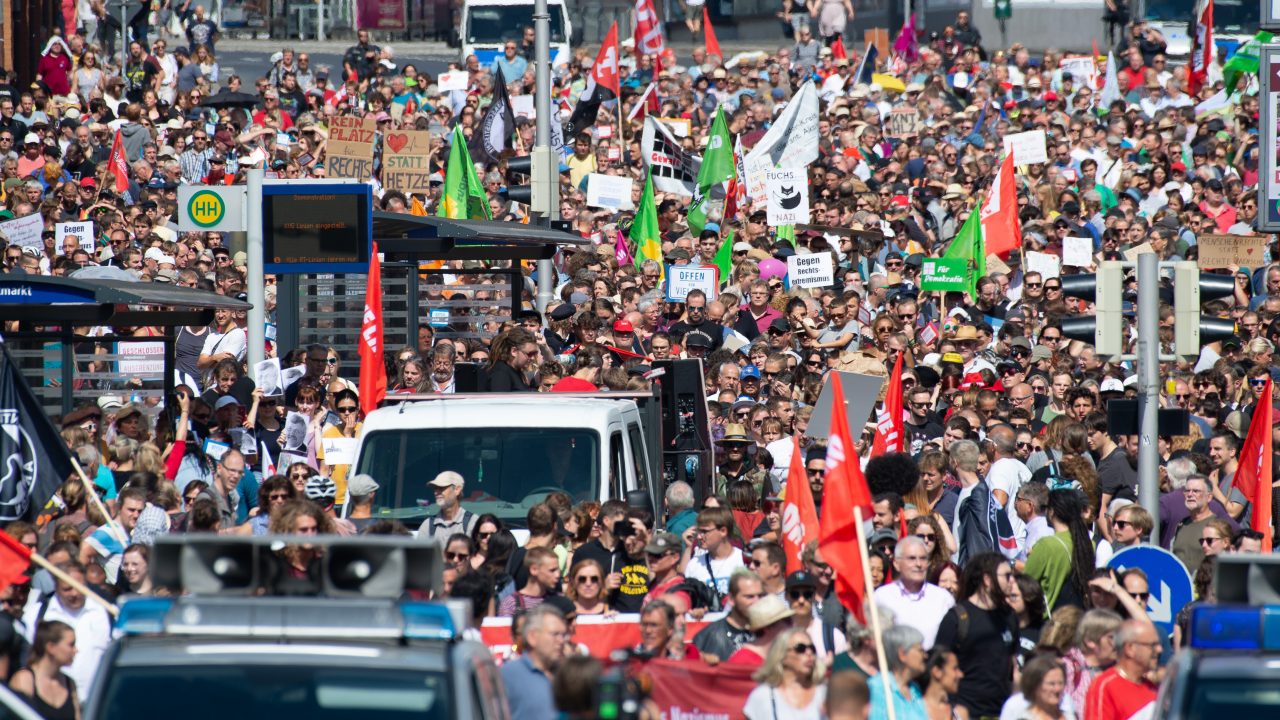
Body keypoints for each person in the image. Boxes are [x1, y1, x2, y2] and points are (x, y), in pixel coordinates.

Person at [933, 553, 1019, 720]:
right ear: (987, 579)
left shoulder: (1009, 617)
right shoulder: (956, 618)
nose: (1012, 581)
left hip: (1001, 712)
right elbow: (938, 669)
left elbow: (1013, 668)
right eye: (1007, 576)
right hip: (964, 712)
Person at [22, 563, 111, 701]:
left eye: (79, 587)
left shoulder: (104, 613)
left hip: (97, 703)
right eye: (67, 589)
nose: (74, 593)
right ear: (56, 587)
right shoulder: (36, 615)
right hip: (52, 703)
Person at [873, 536, 955, 649]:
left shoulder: (943, 598)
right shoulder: (882, 597)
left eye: (923, 558)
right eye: (912, 558)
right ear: (896, 563)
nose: (918, 564)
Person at [742, 627, 827, 720]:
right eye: (800, 648)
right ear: (782, 655)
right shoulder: (762, 696)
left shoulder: (824, 693)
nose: (809, 653)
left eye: (812, 648)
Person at [1083, 619, 1159, 720]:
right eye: (1152, 645)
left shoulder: (1153, 689)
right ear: (1130, 648)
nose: (1159, 650)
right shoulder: (1105, 686)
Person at [501, 605, 566, 720]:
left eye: (563, 635)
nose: (561, 641)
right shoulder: (508, 675)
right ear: (532, 637)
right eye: (555, 634)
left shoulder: (568, 673)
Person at [10, 621, 79, 720]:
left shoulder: (69, 684)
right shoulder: (25, 680)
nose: (76, 650)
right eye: (71, 645)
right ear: (51, 647)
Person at [692, 572, 763, 662]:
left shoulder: (768, 632)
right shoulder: (707, 637)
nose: (757, 601)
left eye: (760, 596)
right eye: (750, 597)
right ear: (732, 599)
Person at [868, 625, 929, 720]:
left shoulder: (915, 690)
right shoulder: (877, 688)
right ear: (902, 654)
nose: (925, 656)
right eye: (920, 650)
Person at [727, 595, 796, 667]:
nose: (792, 625)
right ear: (768, 628)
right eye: (788, 621)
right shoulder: (742, 661)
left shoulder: (786, 655)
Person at [417, 471, 477, 541]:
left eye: (441, 487)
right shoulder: (427, 526)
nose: (436, 492)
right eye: (435, 488)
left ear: (457, 490)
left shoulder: (473, 522)